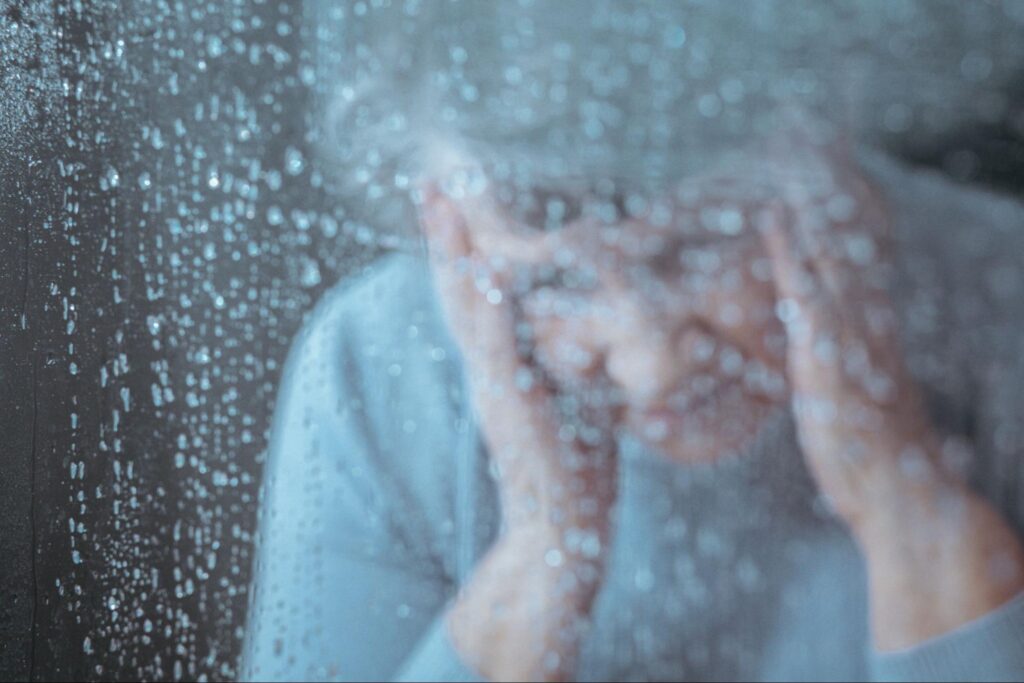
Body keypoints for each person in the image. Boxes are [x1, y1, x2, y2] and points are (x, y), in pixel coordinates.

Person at [243, 2, 1024, 680]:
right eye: (552, 283)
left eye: (697, 248)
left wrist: (909, 503)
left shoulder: (1004, 296)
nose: (654, 365)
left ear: (821, 133)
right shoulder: (371, 374)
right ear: (444, 222)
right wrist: (545, 552)